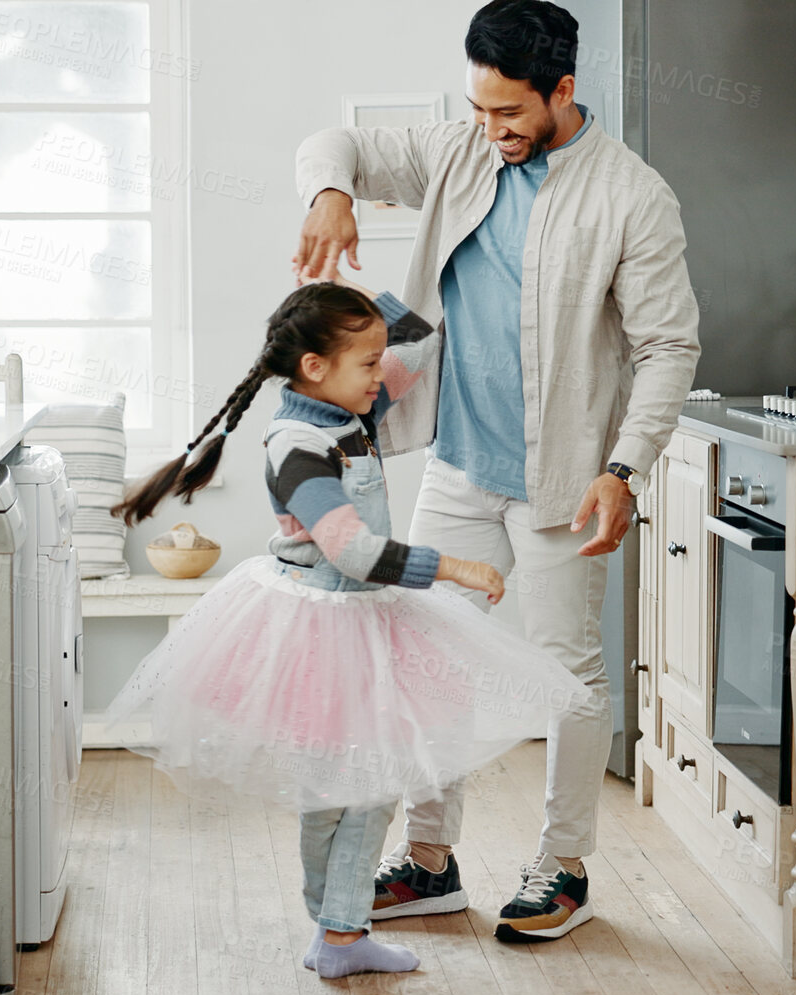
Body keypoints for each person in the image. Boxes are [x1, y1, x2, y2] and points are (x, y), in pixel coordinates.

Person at [293, 0, 701, 942]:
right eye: (480, 110)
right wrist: (332, 194)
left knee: (566, 674)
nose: (492, 131)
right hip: (459, 461)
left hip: (563, 478)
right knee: (426, 659)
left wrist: (623, 468)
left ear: (563, 90)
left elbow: (669, 347)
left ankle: (562, 866)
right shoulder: (461, 148)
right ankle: (430, 862)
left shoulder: (633, 197)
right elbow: (334, 141)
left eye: (510, 113)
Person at [104, 279, 587, 979]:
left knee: (354, 783)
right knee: (353, 783)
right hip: (327, 626)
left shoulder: (343, 406)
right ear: (314, 367)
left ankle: (336, 926)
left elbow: (416, 341)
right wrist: (454, 566)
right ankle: (337, 928)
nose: (379, 377)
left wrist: (384, 274)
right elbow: (353, 551)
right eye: (367, 363)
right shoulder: (300, 443)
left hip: (356, 620)